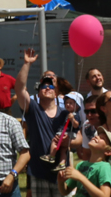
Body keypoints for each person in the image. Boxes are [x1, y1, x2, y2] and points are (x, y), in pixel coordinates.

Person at [14, 49, 69, 197]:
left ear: (55, 93)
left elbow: (77, 139)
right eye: (43, 86)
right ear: (38, 93)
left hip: (61, 172)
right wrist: (27, 63)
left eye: (51, 86)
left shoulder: (65, 114)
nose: (47, 87)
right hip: (38, 171)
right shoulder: (33, 109)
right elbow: (19, 88)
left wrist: (67, 140)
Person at [57, 126, 111, 197]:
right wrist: (61, 182)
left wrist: (81, 177)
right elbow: (65, 191)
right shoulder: (81, 164)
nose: (96, 137)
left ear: (108, 152)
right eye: (97, 135)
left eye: (102, 138)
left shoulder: (105, 167)